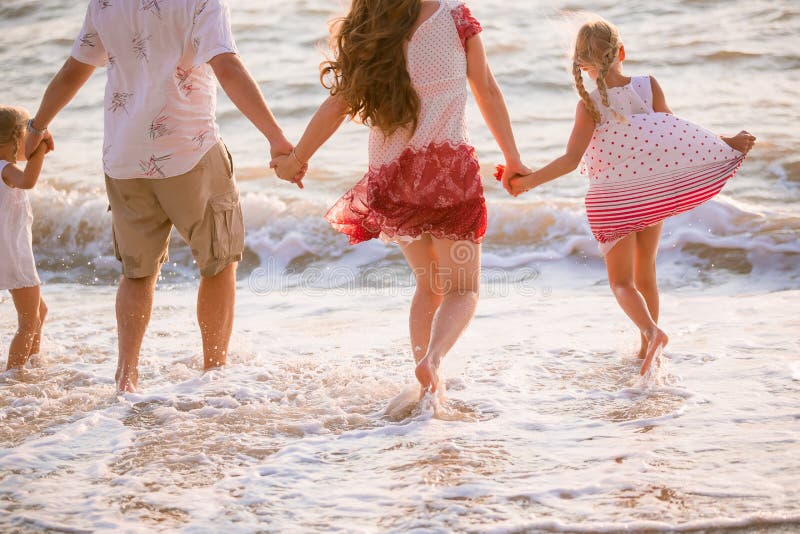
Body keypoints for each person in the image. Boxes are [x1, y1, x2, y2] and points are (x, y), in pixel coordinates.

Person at [26, 0, 294, 392]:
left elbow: (74, 70)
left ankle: (126, 376)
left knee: (137, 271)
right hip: (190, 151)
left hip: (123, 156)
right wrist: (276, 138)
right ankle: (213, 374)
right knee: (218, 262)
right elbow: (228, 67)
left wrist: (36, 125)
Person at [273, 0, 530, 395]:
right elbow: (488, 91)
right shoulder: (456, 16)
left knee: (429, 286)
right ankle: (434, 360)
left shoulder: (373, 21)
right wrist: (513, 159)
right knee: (462, 289)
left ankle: (426, 383)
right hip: (448, 174)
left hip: (394, 178)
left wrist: (296, 158)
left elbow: (338, 104)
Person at [503, 18, 756, 375]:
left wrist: (527, 182)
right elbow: (676, 134)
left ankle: (651, 334)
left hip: (614, 202)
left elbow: (570, 160)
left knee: (621, 283)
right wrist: (724, 142)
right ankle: (645, 349)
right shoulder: (648, 87)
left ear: (581, 66)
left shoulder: (588, 106)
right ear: (621, 52)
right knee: (646, 274)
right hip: (651, 195)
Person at [0, 106, 49, 371]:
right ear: (17, 139)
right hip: (15, 256)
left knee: (40, 312)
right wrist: (40, 148)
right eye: (27, 136)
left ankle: (33, 362)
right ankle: (13, 376)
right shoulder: (6, 169)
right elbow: (29, 180)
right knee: (29, 321)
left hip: (6, 253)